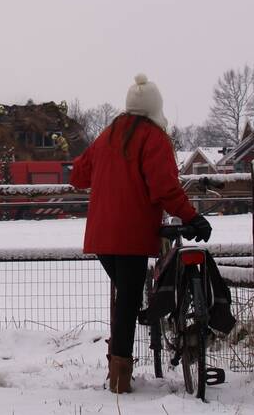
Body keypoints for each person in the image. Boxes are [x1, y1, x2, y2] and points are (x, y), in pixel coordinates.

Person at [69, 73, 212, 394]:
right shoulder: (153, 137)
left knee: (127, 299)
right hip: (132, 235)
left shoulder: (108, 134)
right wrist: (193, 216)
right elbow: (165, 188)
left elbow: (79, 175)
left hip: (102, 236)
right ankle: (119, 379)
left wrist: (109, 175)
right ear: (155, 108)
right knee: (129, 302)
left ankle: (120, 369)